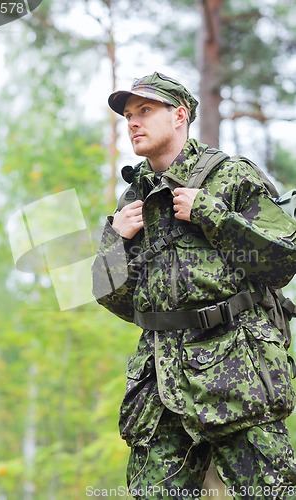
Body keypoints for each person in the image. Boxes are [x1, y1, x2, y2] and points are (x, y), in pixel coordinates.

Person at [92, 71, 296, 499]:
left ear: (180, 115)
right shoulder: (133, 199)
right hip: (159, 378)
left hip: (237, 370)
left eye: (144, 111)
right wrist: (116, 243)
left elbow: (283, 262)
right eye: (128, 115)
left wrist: (213, 214)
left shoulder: (232, 177)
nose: (132, 122)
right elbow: (116, 299)